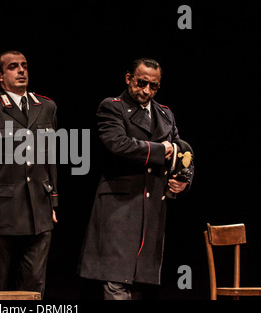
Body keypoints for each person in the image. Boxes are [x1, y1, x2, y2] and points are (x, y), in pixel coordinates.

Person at [78, 58, 194, 300]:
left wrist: (183, 180)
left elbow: (182, 151)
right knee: (116, 279)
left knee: (139, 282)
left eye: (153, 86)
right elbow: (117, 144)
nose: (147, 91)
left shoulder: (165, 114)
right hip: (119, 208)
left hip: (151, 209)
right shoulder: (112, 107)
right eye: (142, 83)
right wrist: (161, 150)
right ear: (128, 78)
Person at [0, 50, 58, 295]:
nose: (21, 71)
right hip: (3, 207)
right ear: (0, 76)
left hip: (38, 209)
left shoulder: (46, 106)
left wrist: (52, 200)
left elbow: (50, 157)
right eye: (13, 67)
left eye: (24, 66)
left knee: (33, 285)